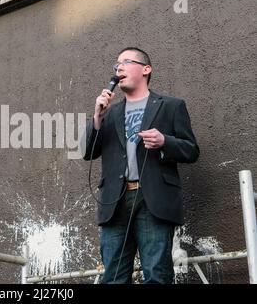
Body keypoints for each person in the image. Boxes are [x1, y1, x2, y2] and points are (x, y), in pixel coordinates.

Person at [83, 47, 199, 284]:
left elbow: (191, 150)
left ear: (146, 69)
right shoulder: (110, 113)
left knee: (157, 273)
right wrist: (97, 118)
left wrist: (165, 141)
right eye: (116, 65)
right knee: (113, 276)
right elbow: (89, 152)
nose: (119, 68)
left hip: (153, 199)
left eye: (126, 62)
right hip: (115, 201)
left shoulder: (171, 106)